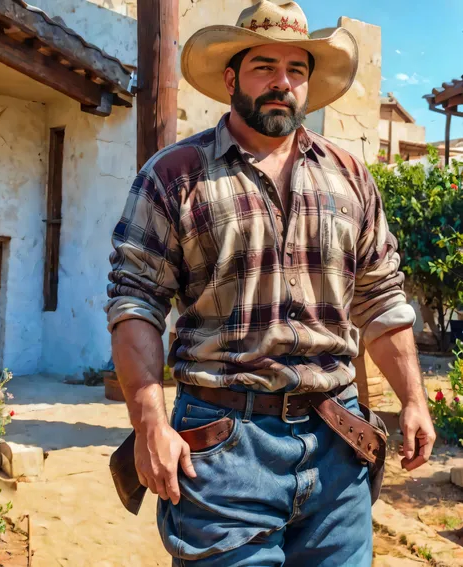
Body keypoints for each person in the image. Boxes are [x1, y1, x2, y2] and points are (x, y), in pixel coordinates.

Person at [106, 2, 436, 565]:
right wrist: (149, 422)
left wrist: (412, 399)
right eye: (264, 67)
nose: (282, 83)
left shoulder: (351, 176)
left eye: (297, 70)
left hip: (339, 448)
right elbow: (136, 302)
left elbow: (380, 296)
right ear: (231, 78)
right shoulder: (174, 175)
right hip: (221, 451)